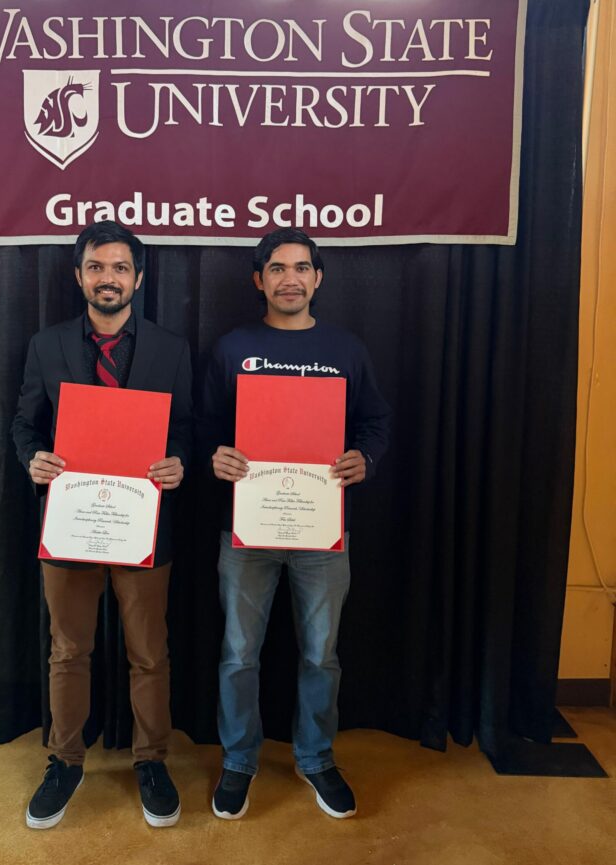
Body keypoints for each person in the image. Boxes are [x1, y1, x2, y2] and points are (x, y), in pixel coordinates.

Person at [199, 228, 390, 820]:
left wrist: (366, 456)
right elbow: (203, 423)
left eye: (301, 268)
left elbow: (375, 421)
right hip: (247, 530)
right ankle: (238, 761)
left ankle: (315, 757)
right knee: (237, 654)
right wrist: (216, 453)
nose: (290, 278)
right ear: (259, 279)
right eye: (277, 268)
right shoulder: (233, 348)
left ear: (318, 278)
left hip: (321, 531)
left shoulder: (347, 348)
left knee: (321, 654)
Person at [11, 220, 191, 830]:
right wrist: (31, 458)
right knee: (69, 651)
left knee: (149, 653)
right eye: (96, 266)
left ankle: (151, 760)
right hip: (70, 521)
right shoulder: (47, 344)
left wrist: (181, 461)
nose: (107, 278)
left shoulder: (171, 348)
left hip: (144, 524)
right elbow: (24, 425)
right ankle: (64, 761)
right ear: (79, 274)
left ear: (138, 278)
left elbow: (187, 426)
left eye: (119, 268)